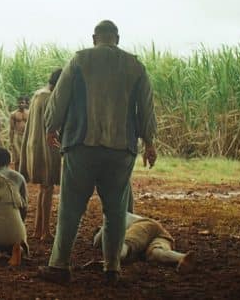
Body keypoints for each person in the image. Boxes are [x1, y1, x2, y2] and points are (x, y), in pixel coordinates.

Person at [37, 20, 157, 286]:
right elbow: (146, 108)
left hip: (81, 145)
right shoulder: (135, 65)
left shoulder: (80, 59)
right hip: (121, 149)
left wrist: (51, 127)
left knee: (70, 208)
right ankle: (112, 268)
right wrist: (149, 142)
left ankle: (59, 265)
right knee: (116, 211)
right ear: (117, 38)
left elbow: (59, 98)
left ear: (94, 38)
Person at [19, 69, 63, 242]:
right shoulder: (49, 97)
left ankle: (38, 229)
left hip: (34, 144)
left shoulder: (38, 94)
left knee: (44, 188)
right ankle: (45, 231)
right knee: (48, 187)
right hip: (46, 146)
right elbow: (53, 124)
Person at [91, 213, 194, 273]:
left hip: (144, 224)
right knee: (156, 252)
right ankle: (181, 258)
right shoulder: (120, 212)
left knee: (127, 244)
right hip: (162, 234)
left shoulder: (112, 218)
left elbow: (96, 242)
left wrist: (99, 232)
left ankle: (111, 263)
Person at [8, 96, 29, 169]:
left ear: (25, 103)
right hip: (17, 136)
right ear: (17, 104)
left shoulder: (29, 113)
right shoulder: (13, 114)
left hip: (26, 136)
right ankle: (17, 173)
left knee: (27, 156)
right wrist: (11, 142)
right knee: (17, 157)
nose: (21, 104)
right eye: (19, 103)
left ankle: (26, 174)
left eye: (22, 103)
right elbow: (11, 129)